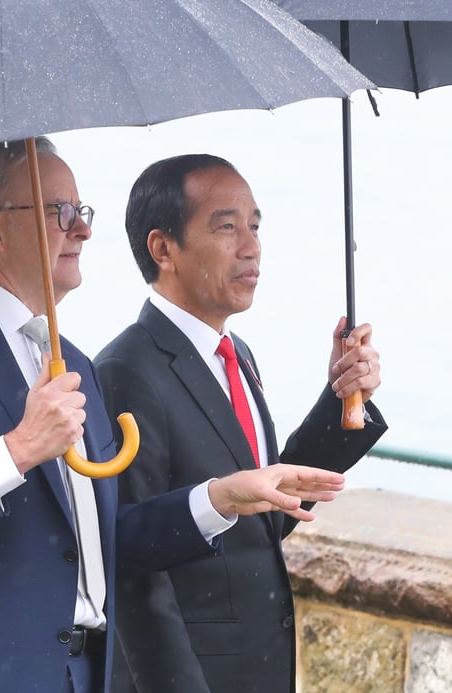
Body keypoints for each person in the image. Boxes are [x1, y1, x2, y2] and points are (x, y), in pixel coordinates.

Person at [0, 138, 348, 693]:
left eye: (82, 213)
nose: (81, 230)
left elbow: (103, 544)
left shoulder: (72, 360)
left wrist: (219, 497)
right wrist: (17, 450)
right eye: (61, 213)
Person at [94, 153, 388, 693]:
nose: (250, 246)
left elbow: (264, 510)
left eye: (254, 225)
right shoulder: (125, 371)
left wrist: (343, 401)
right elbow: (131, 564)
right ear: (163, 249)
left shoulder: (236, 353)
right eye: (226, 227)